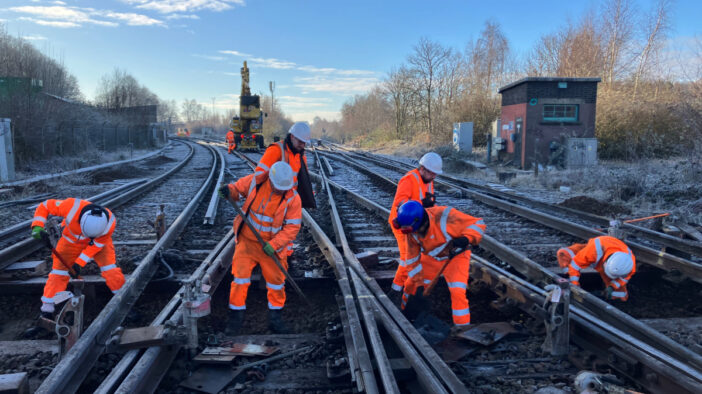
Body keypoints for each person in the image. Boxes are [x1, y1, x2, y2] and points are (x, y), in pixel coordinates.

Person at [219, 161, 302, 334]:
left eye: (282, 188)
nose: (279, 190)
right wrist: (229, 191)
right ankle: (235, 319)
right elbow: (237, 189)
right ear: (270, 179)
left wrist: (274, 244)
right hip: (247, 242)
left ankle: (275, 319)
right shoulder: (255, 181)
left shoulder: (293, 198)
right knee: (240, 280)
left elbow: (292, 228)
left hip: (271, 248)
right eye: (277, 187)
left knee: (276, 283)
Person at [393, 200, 485, 327]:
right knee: (410, 284)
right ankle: (406, 314)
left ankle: (462, 328)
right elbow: (412, 260)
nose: (413, 234)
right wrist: (419, 283)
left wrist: (467, 238)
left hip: (456, 257)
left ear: (419, 222)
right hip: (432, 257)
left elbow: (478, 223)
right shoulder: (411, 234)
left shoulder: (445, 216)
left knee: (457, 292)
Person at [31, 198, 124, 318]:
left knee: (110, 268)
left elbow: (96, 245)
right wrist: (37, 226)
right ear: (81, 221)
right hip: (70, 242)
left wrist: (79, 262)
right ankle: (47, 310)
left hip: (98, 244)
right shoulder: (71, 207)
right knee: (58, 272)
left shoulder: (110, 223)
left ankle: (122, 298)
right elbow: (45, 206)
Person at [388, 153, 442, 303]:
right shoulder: (408, 179)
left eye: (435, 174)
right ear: (423, 169)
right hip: (403, 225)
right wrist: (421, 204)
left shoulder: (429, 180)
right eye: (431, 173)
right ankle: (395, 291)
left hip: (417, 225)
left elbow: (429, 201)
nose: (433, 177)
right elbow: (400, 204)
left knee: (418, 258)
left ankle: (409, 287)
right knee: (407, 259)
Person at [254, 122, 315, 208]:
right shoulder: (276, 150)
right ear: (292, 137)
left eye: (304, 143)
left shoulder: (300, 156)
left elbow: (304, 179)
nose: (302, 145)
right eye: (300, 142)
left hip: (290, 201)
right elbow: (258, 176)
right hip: (273, 200)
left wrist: (309, 193)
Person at [557, 236, 636, 301]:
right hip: (597, 249)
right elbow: (575, 265)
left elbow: (623, 279)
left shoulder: (628, 265)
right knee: (564, 253)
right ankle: (568, 278)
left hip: (609, 252)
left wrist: (612, 286)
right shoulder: (593, 250)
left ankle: (616, 302)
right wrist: (575, 286)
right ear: (605, 264)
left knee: (619, 291)